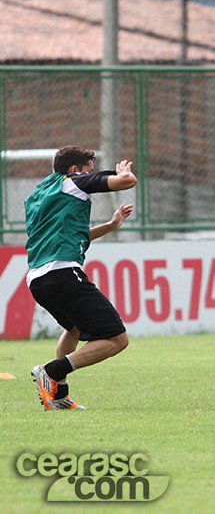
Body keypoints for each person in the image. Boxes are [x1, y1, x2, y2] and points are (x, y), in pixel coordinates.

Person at [28, 146, 136, 410]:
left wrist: (110, 226)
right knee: (116, 339)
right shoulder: (73, 181)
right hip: (64, 274)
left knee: (74, 329)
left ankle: (59, 395)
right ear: (75, 170)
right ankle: (52, 371)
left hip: (37, 279)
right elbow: (126, 182)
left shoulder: (39, 193)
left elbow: (70, 234)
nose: (92, 175)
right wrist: (123, 172)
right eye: (89, 170)